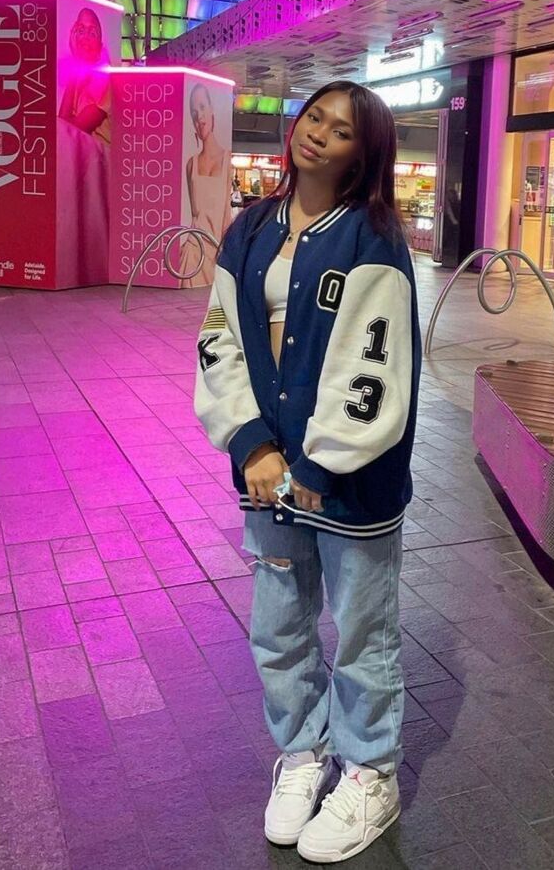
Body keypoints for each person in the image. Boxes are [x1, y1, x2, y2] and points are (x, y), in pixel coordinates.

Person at [193, 81, 421, 863]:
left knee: (362, 631)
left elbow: (375, 363)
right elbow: (219, 339)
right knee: (280, 625)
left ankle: (370, 771)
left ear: (365, 153)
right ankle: (302, 751)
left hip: (351, 483)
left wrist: (323, 457)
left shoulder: (372, 236)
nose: (319, 132)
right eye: (315, 116)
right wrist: (250, 443)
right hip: (270, 475)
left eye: (343, 129)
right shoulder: (251, 228)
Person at [179, 83, 232, 288]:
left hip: (216, 248)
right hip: (194, 249)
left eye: (202, 107)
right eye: (194, 112)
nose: (199, 117)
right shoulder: (191, 164)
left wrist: (226, 250)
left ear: (211, 110)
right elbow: (194, 212)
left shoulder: (227, 160)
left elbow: (226, 212)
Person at [58, 8, 111, 145]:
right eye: (81, 31)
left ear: (100, 45)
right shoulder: (79, 77)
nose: (86, 37)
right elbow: (62, 125)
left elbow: (68, 131)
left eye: (92, 33)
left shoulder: (105, 78)